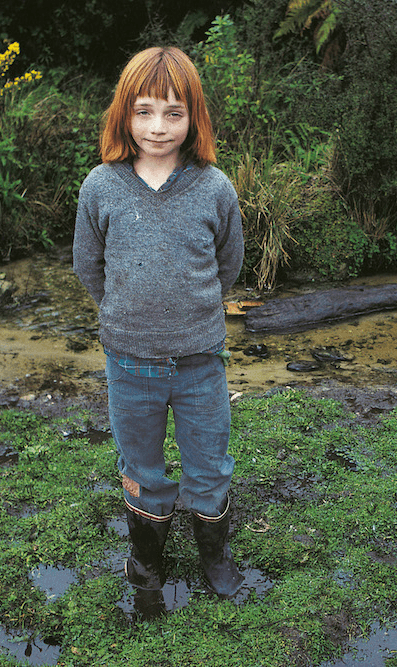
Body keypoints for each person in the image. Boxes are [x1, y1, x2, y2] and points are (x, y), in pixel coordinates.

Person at [73, 46, 245, 601]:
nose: (158, 127)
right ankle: (146, 564)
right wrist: (126, 310)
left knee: (209, 465)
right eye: (144, 111)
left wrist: (189, 310)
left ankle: (214, 559)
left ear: (194, 117)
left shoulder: (214, 187)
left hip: (200, 362)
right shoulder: (100, 185)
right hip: (128, 362)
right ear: (124, 113)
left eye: (174, 113)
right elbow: (88, 266)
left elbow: (229, 264)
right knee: (141, 466)